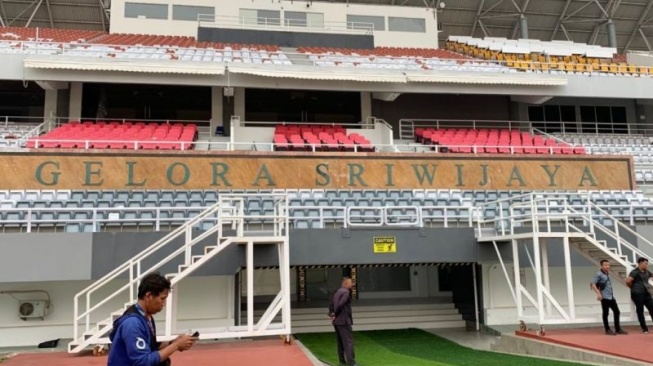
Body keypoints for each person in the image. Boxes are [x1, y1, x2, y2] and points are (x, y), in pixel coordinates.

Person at [108, 272, 198, 366]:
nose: (164, 304)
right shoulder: (133, 323)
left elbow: (152, 346)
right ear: (149, 296)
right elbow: (143, 361)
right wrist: (176, 345)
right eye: (162, 299)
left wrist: (173, 342)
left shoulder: (146, 317)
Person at [590, 260, 627, 335]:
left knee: (617, 312)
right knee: (606, 313)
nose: (607, 266)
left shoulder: (608, 274)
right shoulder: (598, 274)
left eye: (608, 265)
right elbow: (592, 284)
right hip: (604, 297)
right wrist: (598, 294)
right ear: (601, 266)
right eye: (605, 265)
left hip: (611, 296)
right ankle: (607, 329)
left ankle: (618, 329)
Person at [329, 277, 356, 366]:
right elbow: (341, 304)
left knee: (340, 341)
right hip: (344, 321)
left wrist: (332, 314)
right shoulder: (346, 292)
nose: (352, 285)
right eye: (350, 283)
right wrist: (335, 313)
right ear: (345, 284)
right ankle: (351, 362)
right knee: (348, 342)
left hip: (337, 322)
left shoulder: (337, 292)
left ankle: (342, 361)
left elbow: (331, 305)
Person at [627, 257, 653, 333]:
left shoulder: (647, 271)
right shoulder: (634, 272)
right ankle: (644, 328)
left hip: (646, 293)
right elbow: (628, 281)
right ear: (640, 263)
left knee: (652, 308)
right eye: (645, 263)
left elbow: (652, 275)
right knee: (640, 310)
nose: (647, 265)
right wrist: (633, 287)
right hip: (637, 293)